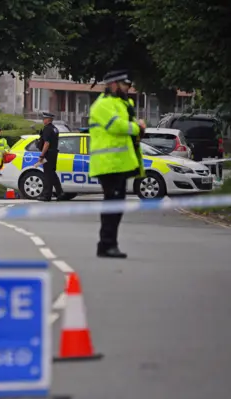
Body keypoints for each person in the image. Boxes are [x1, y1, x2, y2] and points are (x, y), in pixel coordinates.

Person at [89, 70, 146, 259]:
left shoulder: (120, 104)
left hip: (119, 164)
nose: (127, 88)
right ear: (113, 85)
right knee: (112, 206)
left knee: (117, 206)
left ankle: (108, 244)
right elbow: (117, 126)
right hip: (108, 164)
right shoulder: (103, 105)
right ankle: (106, 244)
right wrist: (138, 127)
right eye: (124, 85)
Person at [34, 111, 65, 201]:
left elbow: (46, 143)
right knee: (52, 174)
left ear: (48, 119)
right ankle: (60, 193)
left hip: (48, 154)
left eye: (44, 119)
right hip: (53, 153)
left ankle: (47, 195)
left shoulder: (47, 129)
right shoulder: (55, 128)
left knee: (48, 175)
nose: (43, 120)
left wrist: (42, 155)